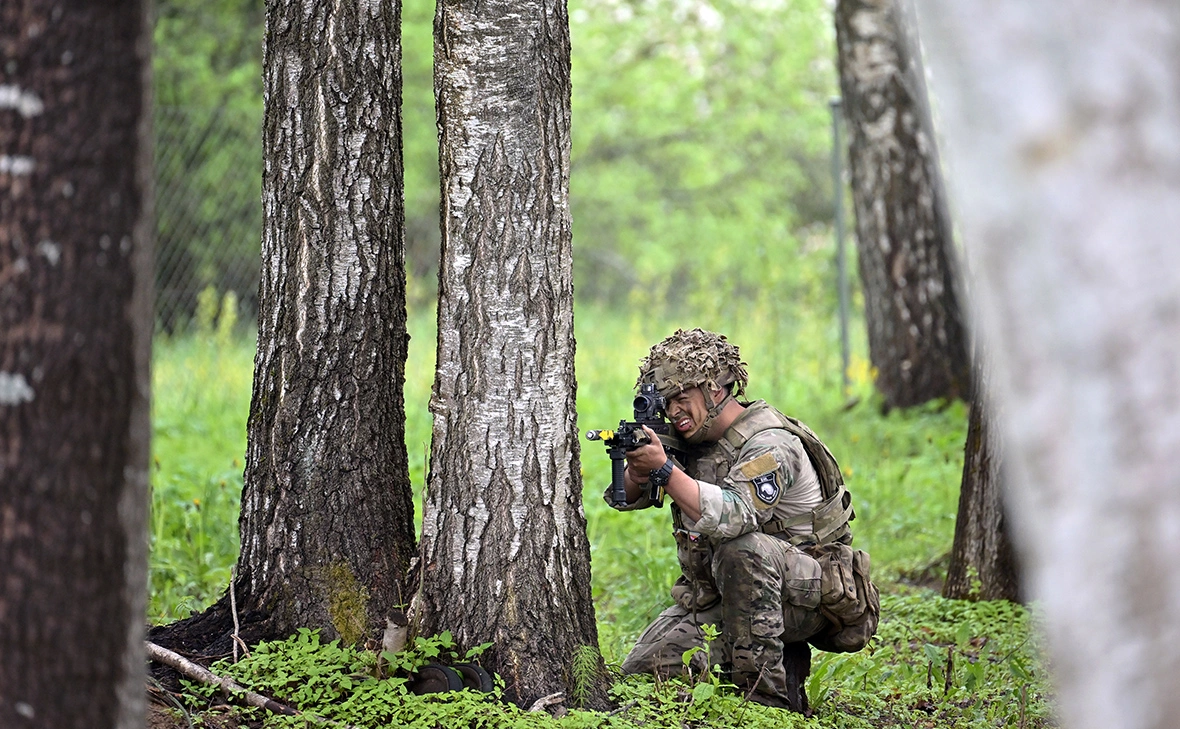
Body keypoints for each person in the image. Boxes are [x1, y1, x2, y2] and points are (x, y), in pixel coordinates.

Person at [608, 328, 862, 712]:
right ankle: (765, 662)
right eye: (666, 402)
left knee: (742, 548)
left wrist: (665, 471)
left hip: (810, 598)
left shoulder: (769, 443)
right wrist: (641, 470)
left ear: (714, 389)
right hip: (730, 595)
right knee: (645, 673)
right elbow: (626, 499)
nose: (674, 411)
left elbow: (735, 516)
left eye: (681, 397)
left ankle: (769, 701)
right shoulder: (695, 440)